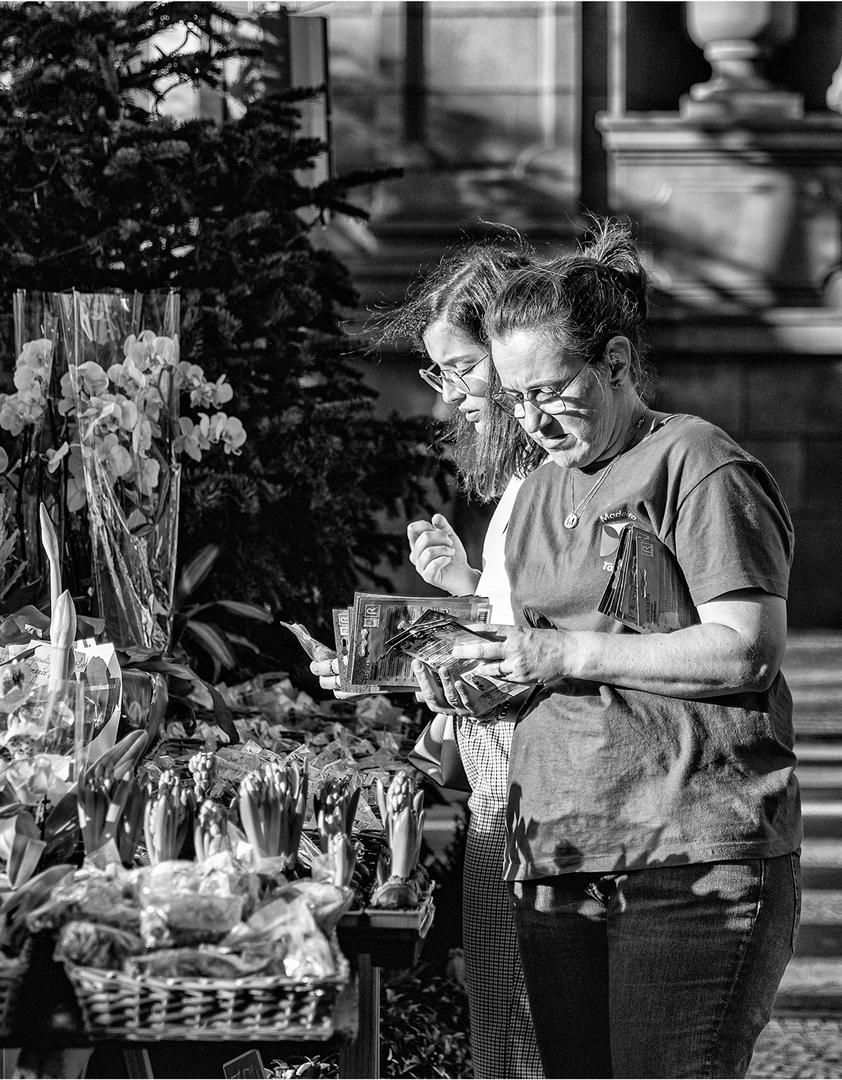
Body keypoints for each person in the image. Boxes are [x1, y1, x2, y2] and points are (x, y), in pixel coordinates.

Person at [416, 219, 801, 1079]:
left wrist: (560, 657)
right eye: (514, 397)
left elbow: (745, 651)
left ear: (618, 363)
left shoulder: (695, 462)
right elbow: (526, 650)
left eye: (551, 391)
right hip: (558, 854)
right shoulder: (544, 484)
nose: (531, 417)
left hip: (690, 854)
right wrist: (444, 670)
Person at [316, 244, 545, 1078]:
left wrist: (404, 664)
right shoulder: (523, 489)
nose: (449, 396)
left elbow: (526, 656)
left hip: (526, 800)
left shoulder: (546, 485)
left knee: (521, 1039)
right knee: (509, 1030)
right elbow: (505, 622)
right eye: (439, 371)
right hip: (503, 796)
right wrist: (456, 588)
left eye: (461, 369)